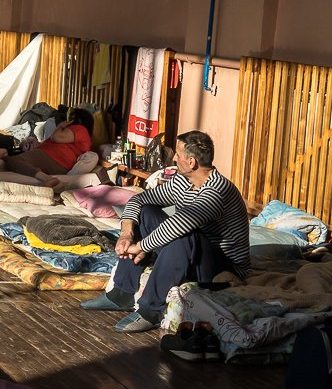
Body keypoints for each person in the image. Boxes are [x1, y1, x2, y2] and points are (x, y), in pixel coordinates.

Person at [81, 130, 250, 332]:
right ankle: (122, 293)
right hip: (192, 252)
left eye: (178, 154)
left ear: (191, 162)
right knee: (147, 211)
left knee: (183, 235)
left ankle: (150, 310)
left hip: (221, 268)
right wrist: (126, 234)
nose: (174, 158)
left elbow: (181, 223)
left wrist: (142, 247)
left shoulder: (217, 190)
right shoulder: (183, 181)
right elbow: (139, 199)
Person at [4, 108, 95, 184]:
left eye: (70, 118)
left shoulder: (81, 129)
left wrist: (60, 126)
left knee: (13, 160)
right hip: (55, 159)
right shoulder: (79, 134)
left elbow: (56, 137)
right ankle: (39, 174)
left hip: (56, 157)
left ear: (77, 120)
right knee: (7, 159)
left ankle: (46, 178)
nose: (67, 120)